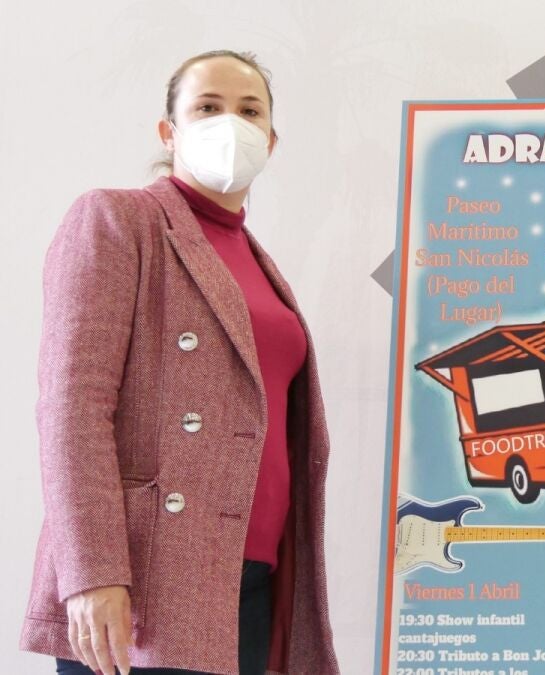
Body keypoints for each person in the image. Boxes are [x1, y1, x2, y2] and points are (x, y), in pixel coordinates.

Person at [19, 50, 339, 674]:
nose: (231, 123)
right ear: (169, 131)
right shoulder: (118, 219)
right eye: (208, 107)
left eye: (250, 111)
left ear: (271, 140)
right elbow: (72, 407)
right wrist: (92, 573)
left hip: (253, 575)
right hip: (145, 579)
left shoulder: (256, 258)